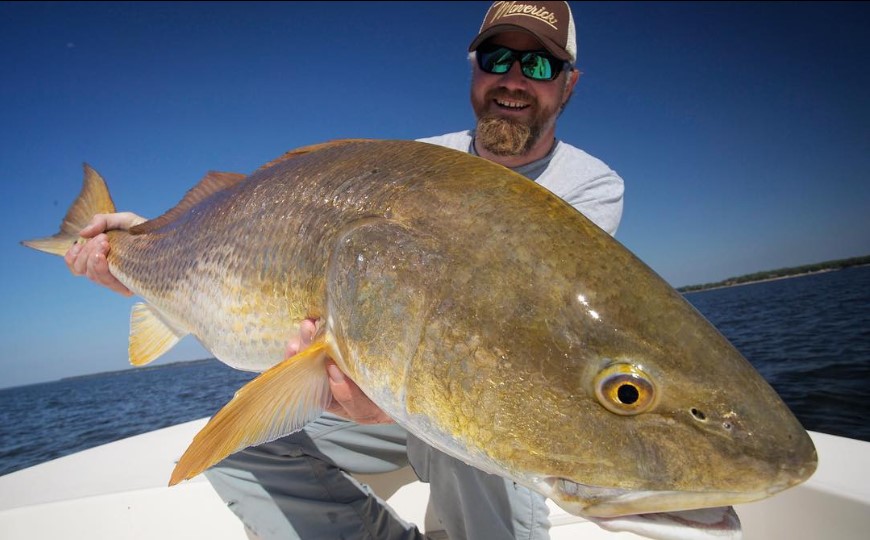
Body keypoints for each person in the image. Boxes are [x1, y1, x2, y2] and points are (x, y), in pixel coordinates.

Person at [65, 2, 624, 539]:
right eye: (497, 58)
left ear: (569, 83)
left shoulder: (589, 187)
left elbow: (527, 345)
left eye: (541, 64)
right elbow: (251, 222)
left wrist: (390, 390)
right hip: (383, 387)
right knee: (239, 452)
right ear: (475, 70)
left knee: (469, 429)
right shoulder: (416, 163)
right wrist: (140, 239)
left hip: (469, 397)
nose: (514, 79)